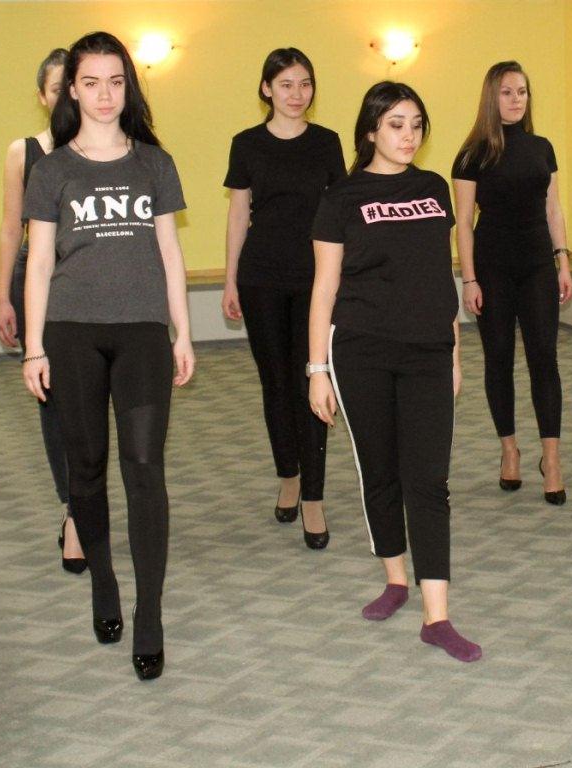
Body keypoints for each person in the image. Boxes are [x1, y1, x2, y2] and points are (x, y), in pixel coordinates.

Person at [22, 31, 195, 681]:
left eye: (116, 82)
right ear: (72, 89)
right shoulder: (52, 169)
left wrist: (183, 332)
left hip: (142, 333)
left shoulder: (154, 163)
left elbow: (171, 254)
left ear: (129, 87)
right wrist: (33, 347)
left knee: (145, 468)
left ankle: (149, 614)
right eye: (91, 82)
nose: (104, 94)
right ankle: (103, 581)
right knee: (87, 468)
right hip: (71, 333)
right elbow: (40, 263)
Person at [308, 81, 481, 663]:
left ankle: (438, 617)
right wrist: (316, 368)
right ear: (371, 130)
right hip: (361, 349)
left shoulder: (432, 189)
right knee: (380, 470)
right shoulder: (342, 197)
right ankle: (395, 578)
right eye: (396, 125)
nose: (409, 136)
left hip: (429, 349)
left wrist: (454, 353)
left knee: (429, 481)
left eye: (416, 125)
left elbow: (439, 276)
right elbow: (324, 288)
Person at [223, 48, 345, 548]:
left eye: (305, 84)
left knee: (312, 381)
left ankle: (314, 495)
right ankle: (289, 475)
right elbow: (238, 214)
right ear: (266, 89)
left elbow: (340, 212)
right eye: (287, 84)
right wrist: (230, 279)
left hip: (317, 279)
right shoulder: (246, 144)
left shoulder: (327, 142)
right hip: (261, 278)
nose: (297, 94)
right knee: (275, 384)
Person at [452, 61, 572, 504]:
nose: (516, 99)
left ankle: (552, 459)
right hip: (492, 267)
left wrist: (563, 261)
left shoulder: (542, 147)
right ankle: (509, 450)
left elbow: (553, 209)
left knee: (545, 359)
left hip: (538, 264)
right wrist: (469, 279)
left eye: (522, 91)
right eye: (506, 92)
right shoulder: (473, 154)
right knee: (498, 359)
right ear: (492, 97)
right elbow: (464, 224)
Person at [0, 48, 82, 573]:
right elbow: (11, 227)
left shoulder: (105, 148)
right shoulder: (23, 152)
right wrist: (3, 295)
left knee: (92, 397)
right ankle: (73, 509)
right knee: (53, 398)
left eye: (73, 87)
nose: (66, 97)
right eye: (56, 90)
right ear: (43, 96)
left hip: (90, 279)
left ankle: (89, 499)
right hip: (37, 280)